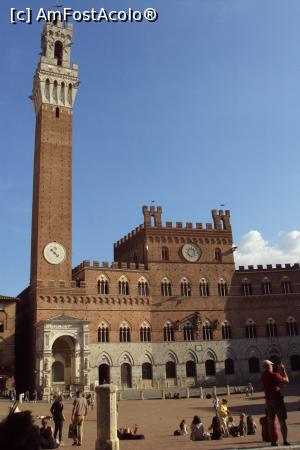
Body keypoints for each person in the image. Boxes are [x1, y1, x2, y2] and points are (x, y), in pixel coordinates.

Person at [261, 359, 290, 446]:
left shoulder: (263, 376)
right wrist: (283, 371)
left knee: (270, 421)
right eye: (271, 365)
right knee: (282, 421)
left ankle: (273, 442)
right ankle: (285, 441)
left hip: (268, 401)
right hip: (277, 400)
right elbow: (286, 380)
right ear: (269, 366)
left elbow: (274, 384)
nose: (272, 366)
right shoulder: (274, 375)